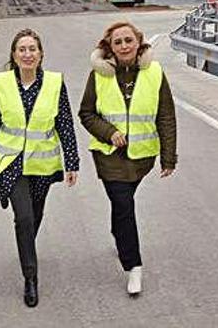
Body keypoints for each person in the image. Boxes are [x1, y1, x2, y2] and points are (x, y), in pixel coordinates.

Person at [0, 29, 80, 308]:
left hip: (42, 164)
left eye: (32, 49)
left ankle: (26, 248)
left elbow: (65, 124)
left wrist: (72, 162)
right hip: (10, 163)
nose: (27, 54)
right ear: (14, 55)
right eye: (21, 49)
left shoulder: (54, 83)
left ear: (40, 54)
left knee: (35, 215)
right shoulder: (0, 83)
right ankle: (30, 277)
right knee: (23, 217)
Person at [78, 21, 177, 296]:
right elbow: (86, 113)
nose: (123, 46)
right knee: (123, 203)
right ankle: (133, 265)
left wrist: (168, 157)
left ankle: (120, 235)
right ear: (109, 47)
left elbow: (166, 115)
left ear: (138, 43)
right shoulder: (98, 75)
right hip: (109, 154)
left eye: (128, 40)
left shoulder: (154, 72)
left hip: (142, 156)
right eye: (117, 42)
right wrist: (109, 133)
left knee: (122, 204)